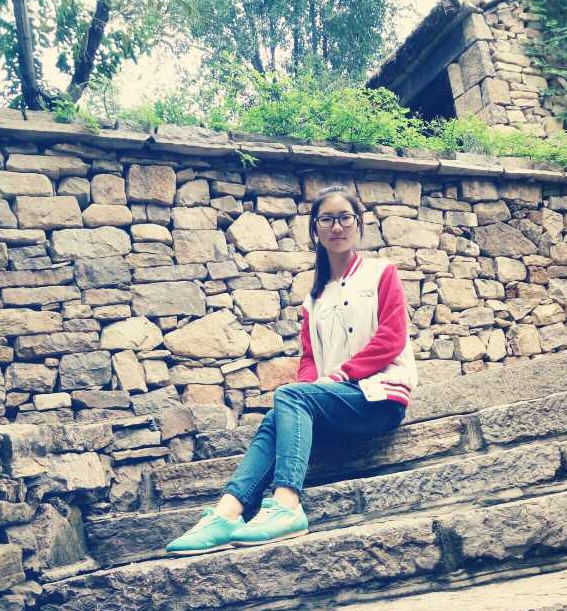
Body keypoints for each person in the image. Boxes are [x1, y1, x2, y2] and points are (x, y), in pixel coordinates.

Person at [165, 185, 418, 555]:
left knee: (290, 397)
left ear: (358, 223)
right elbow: (310, 360)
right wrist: (311, 387)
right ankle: (227, 513)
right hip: (335, 403)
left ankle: (287, 504)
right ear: (315, 229)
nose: (336, 227)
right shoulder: (314, 299)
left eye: (344, 218)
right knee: (278, 413)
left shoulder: (382, 272)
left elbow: (391, 338)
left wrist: (340, 376)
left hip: (379, 399)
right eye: (326, 219)